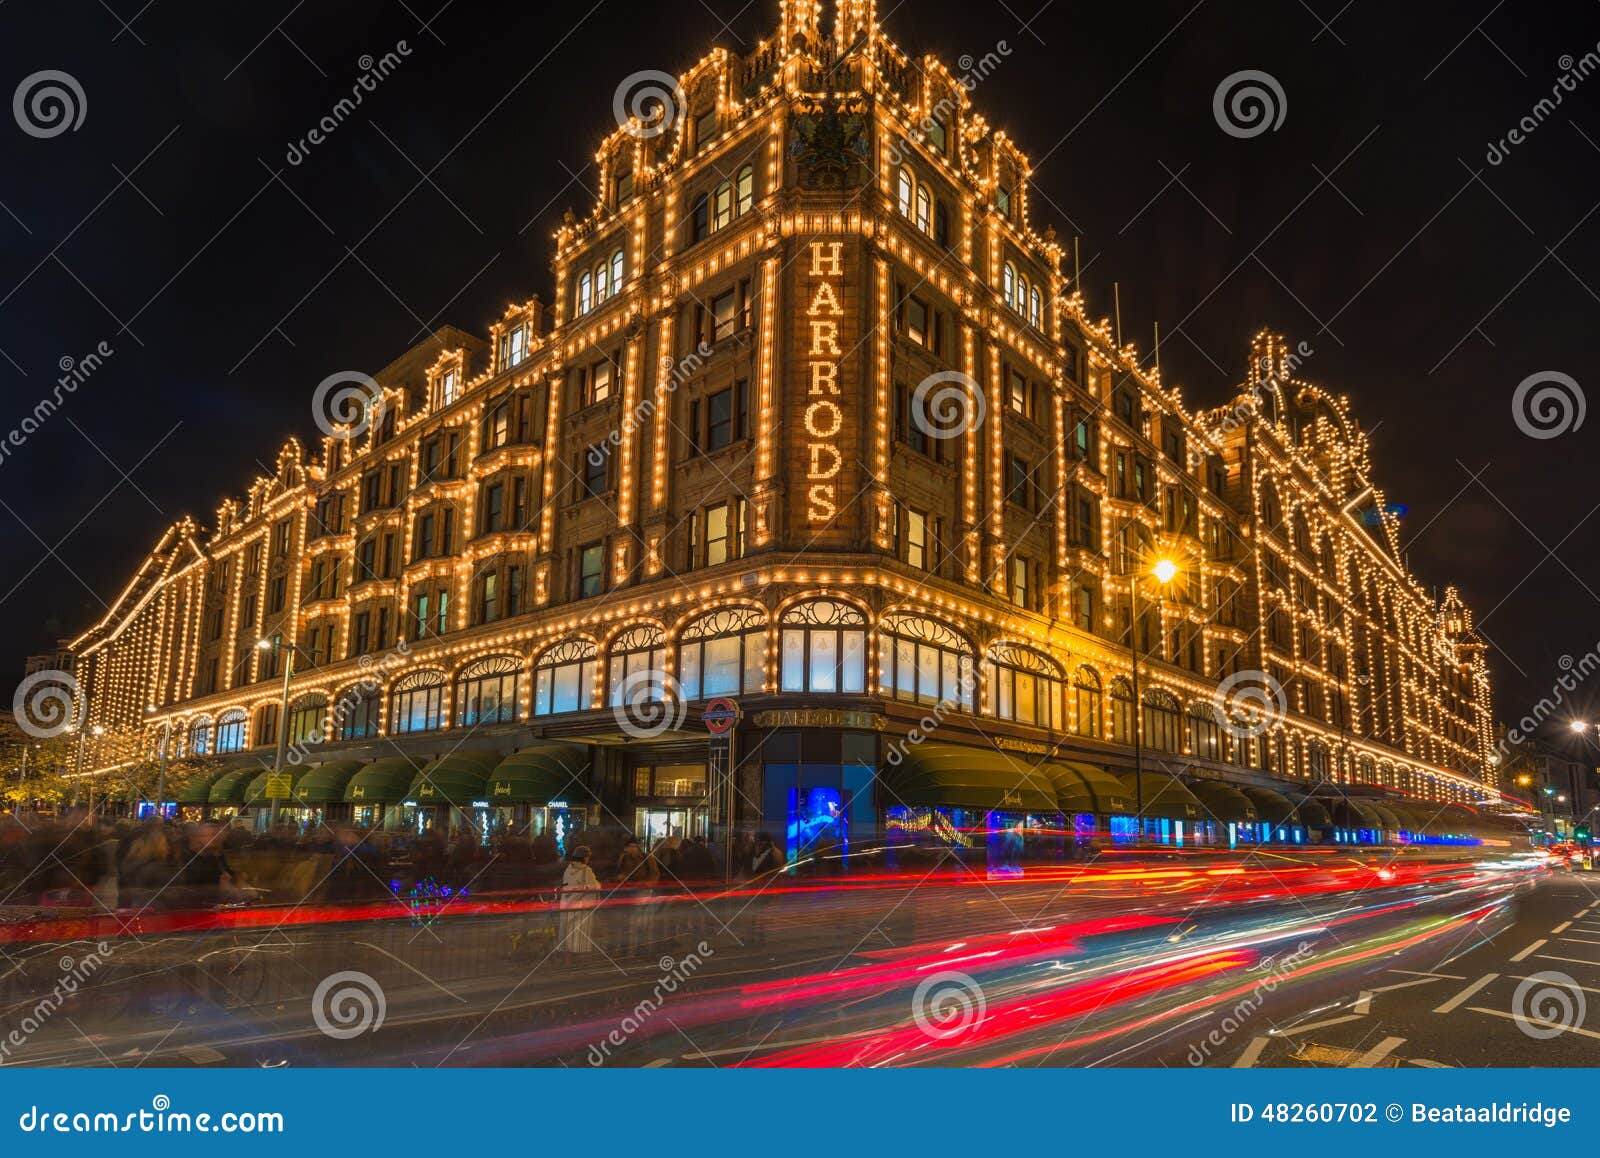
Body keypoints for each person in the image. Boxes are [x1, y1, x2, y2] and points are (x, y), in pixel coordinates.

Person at [559, 846, 601, 954]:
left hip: (567, 904)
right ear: (584, 857)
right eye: (587, 857)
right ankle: (579, 957)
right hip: (581, 906)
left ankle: (567, 956)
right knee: (580, 933)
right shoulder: (586, 871)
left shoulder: (568, 869)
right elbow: (595, 886)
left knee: (567, 931)